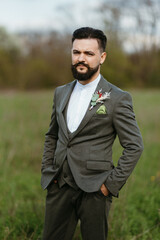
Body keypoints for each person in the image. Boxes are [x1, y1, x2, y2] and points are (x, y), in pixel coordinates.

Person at [41, 27, 143, 240]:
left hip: (96, 190)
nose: (81, 58)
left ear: (102, 57)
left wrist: (109, 186)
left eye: (89, 53)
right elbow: (52, 135)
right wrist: (48, 171)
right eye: (76, 52)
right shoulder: (61, 92)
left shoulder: (117, 98)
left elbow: (134, 145)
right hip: (59, 185)